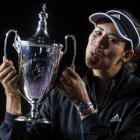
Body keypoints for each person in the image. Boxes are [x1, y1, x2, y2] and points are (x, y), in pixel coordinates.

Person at [0, 9, 140, 140]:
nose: (98, 43)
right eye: (98, 32)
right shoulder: (61, 95)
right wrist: (13, 96)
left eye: (112, 40)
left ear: (126, 55)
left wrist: (83, 105)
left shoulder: (136, 100)